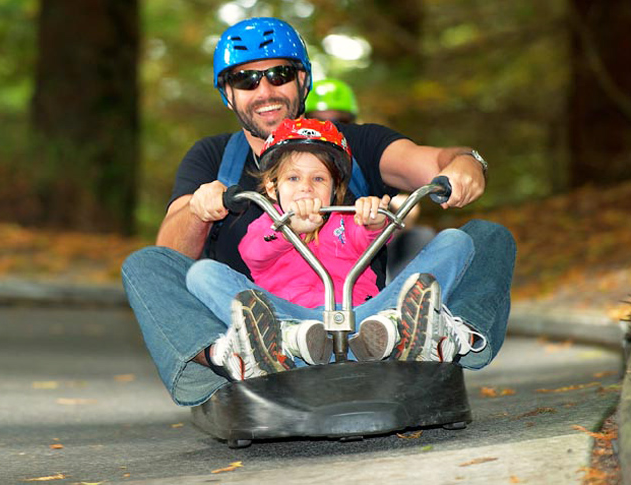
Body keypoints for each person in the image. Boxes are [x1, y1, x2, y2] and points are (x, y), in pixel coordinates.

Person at [121, 17, 516, 407]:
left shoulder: (356, 145)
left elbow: (434, 162)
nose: (265, 90)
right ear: (228, 94)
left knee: (488, 238)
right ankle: (233, 356)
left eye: (279, 74)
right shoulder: (213, 158)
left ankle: (442, 337)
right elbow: (171, 256)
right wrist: (199, 209)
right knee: (145, 266)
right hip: (267, 319)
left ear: (303, 81)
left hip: (368, 319)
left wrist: (466, 161)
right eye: (246, 80)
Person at [185, 118, 486, 381]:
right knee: (202, 273)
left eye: (318, 179)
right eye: (293, 178)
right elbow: (254, 253)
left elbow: (370, 239)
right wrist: (290, 232)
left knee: (455, 240)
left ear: (335, 187)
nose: (306, 187)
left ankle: (395, 330)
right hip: (295, 322)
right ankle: (283, 341)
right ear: (273, 188)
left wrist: (372, 221)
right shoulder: (265, 225)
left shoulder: (346, 220)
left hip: (366, 320)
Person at [306, 78, 436, 281]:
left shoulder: (363, 158)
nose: (329, 130)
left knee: (421, 237)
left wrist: (395, 209)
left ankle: (409, 300)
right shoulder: (293, 167)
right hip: (317, 258)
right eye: (318, 123)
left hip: (372, 249)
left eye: (340, 123)